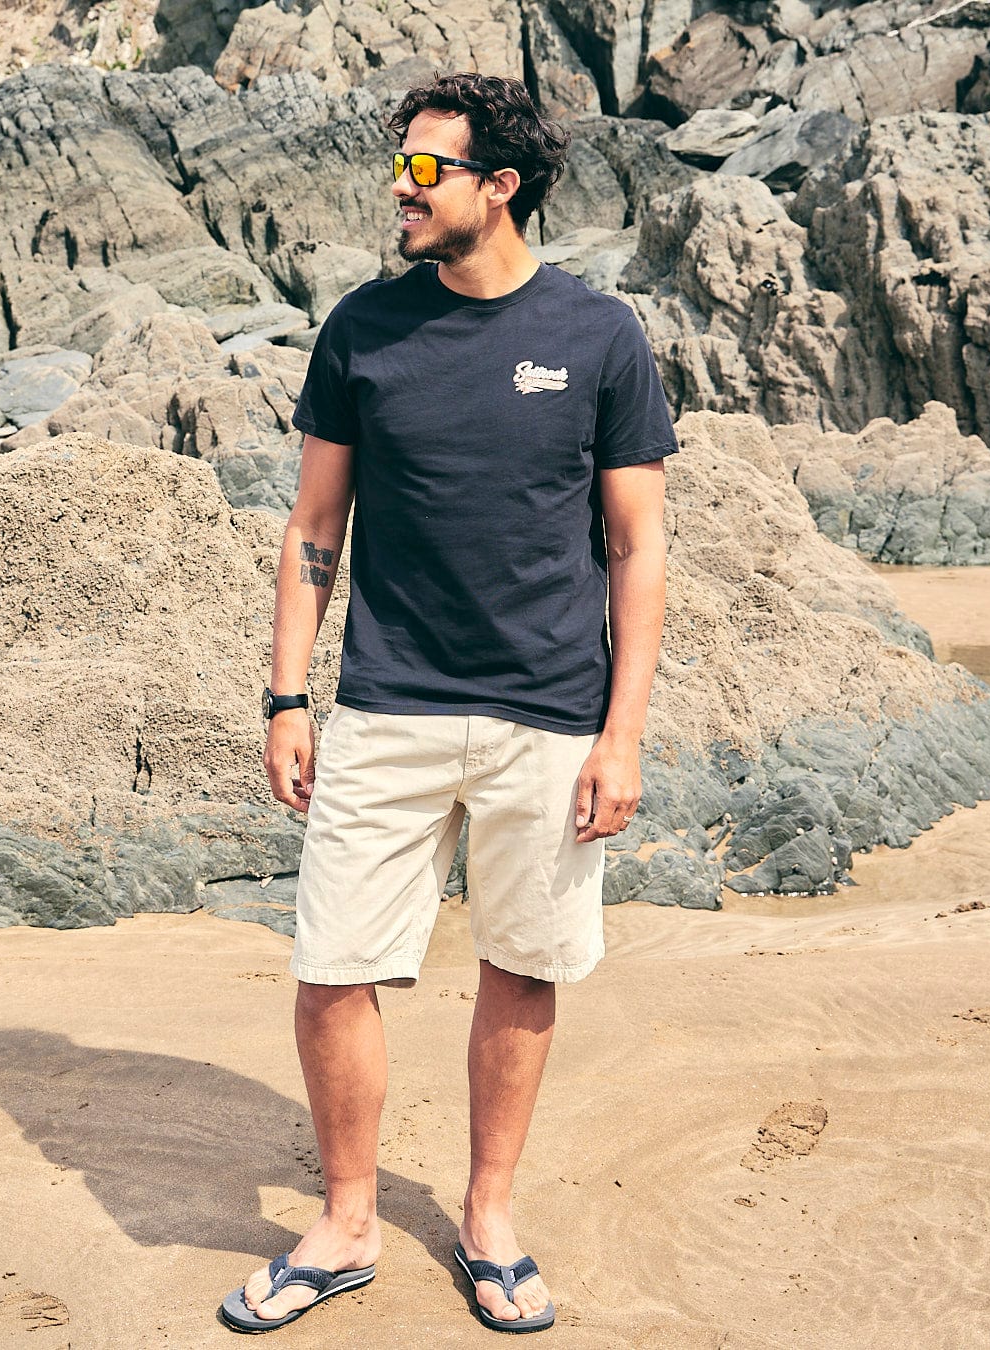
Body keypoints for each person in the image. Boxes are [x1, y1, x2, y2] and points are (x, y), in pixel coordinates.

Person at [220, 72, 676, 1336]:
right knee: (332, 968)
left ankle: (487, 1217)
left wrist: (622, 733)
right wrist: (286, 696)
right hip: (387, 706)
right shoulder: (364, 329)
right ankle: (349, 1223)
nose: (400, 192)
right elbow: (315, 526)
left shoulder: (599, 336)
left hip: (550, 714)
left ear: (499, 187)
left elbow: (638, 546)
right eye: (401, 167)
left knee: (522, 968)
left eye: (426, 171)